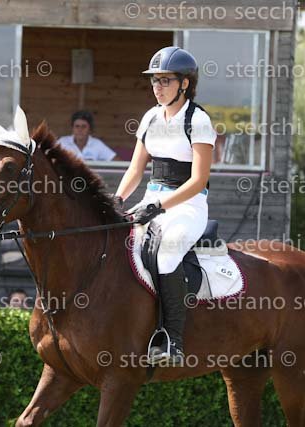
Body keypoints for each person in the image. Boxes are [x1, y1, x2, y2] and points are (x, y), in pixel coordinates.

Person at [114, 46, 216, 366]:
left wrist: (159, 205)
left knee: (167, 251)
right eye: (154, 80)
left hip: (188, 205)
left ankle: (172, 339)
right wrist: (118, 199)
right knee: (117, 244)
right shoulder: (150, 117)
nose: (157, 87)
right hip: (151, 199)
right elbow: (135, 170)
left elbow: (198, 180)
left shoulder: (198, 120)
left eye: (165, 80)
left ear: (184, 83)